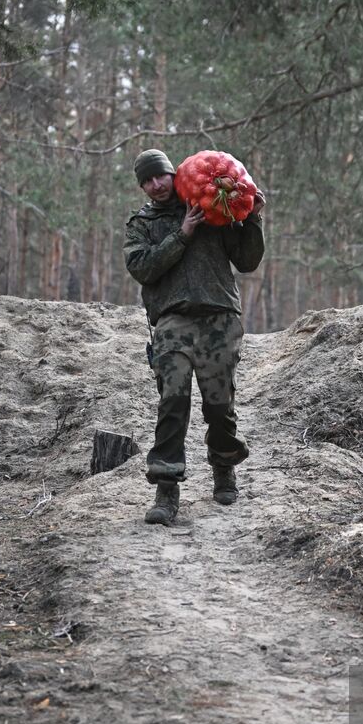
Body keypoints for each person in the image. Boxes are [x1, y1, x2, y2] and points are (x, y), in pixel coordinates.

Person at [123, 148, 265, 525]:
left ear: (175, 175)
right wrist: (182, 234)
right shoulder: (142, 223)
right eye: (147, 181)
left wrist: (252, 219)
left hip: (219, 317)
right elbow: (142, 267)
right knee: (173, 401)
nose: (156, 185)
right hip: (172, 322)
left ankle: (224, 467)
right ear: (141, 187)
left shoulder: (212, 209)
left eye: (160, 177)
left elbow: (248, 261)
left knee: (219, 407)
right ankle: (166, 490)